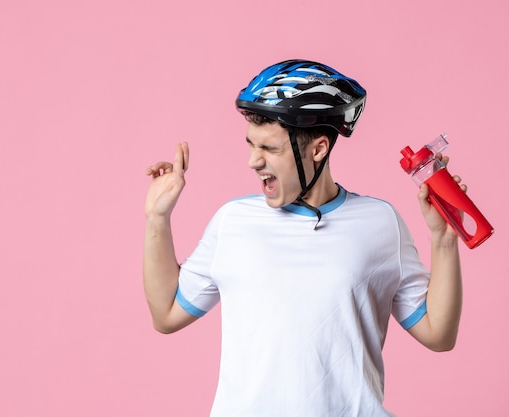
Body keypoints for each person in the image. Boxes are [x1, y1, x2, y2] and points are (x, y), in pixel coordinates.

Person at [143, 59, 463, 416]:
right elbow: (167, 314)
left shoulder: (380, 222)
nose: (253, 161)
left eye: (270, 149)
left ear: (318, 149)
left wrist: (444, 238)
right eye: (251, 145)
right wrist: (157, 218)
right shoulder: (233, 222)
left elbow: (438, 334)